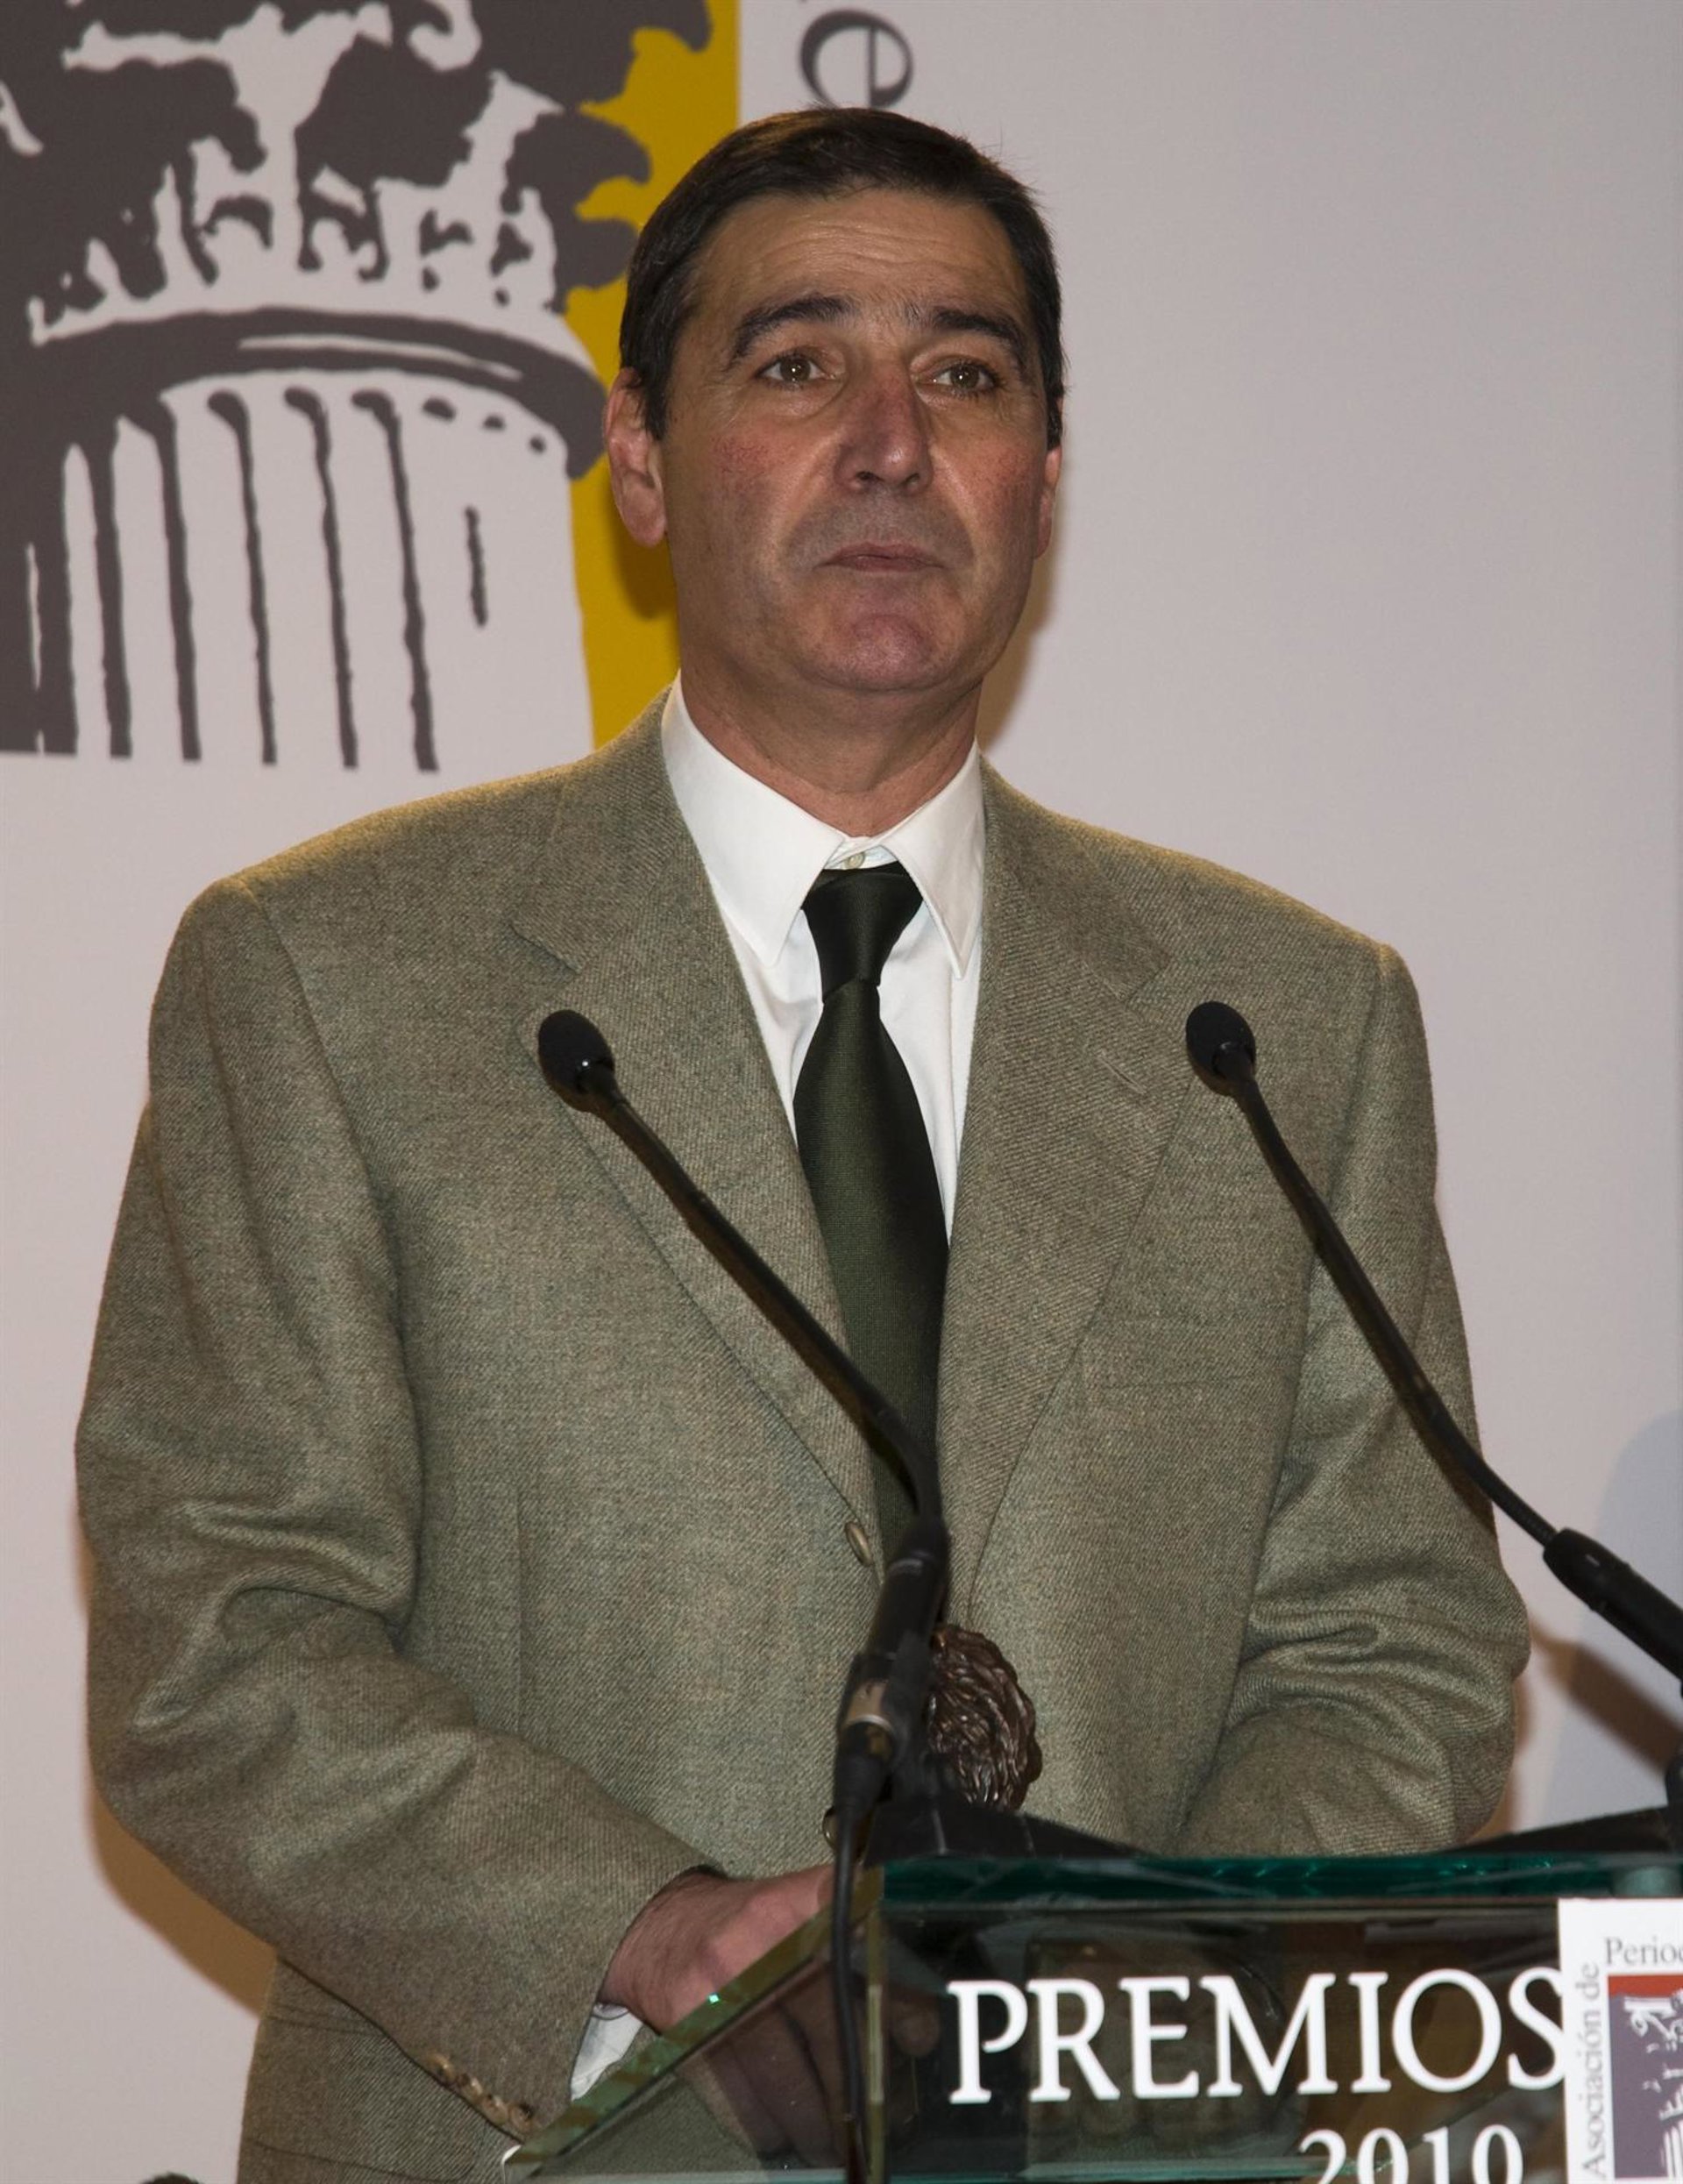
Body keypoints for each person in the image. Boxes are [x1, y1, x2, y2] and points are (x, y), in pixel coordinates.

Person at [78, 108, 1528, 2184]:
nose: (890, 443)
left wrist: (1135, 1983)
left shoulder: (1285, 1020)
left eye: (967, 374)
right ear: (642, 461)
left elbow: (1396, 1638)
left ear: (1042, 475)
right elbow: (220, 1635)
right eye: (797, 363)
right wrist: (649, 1928)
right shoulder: (329, 975)